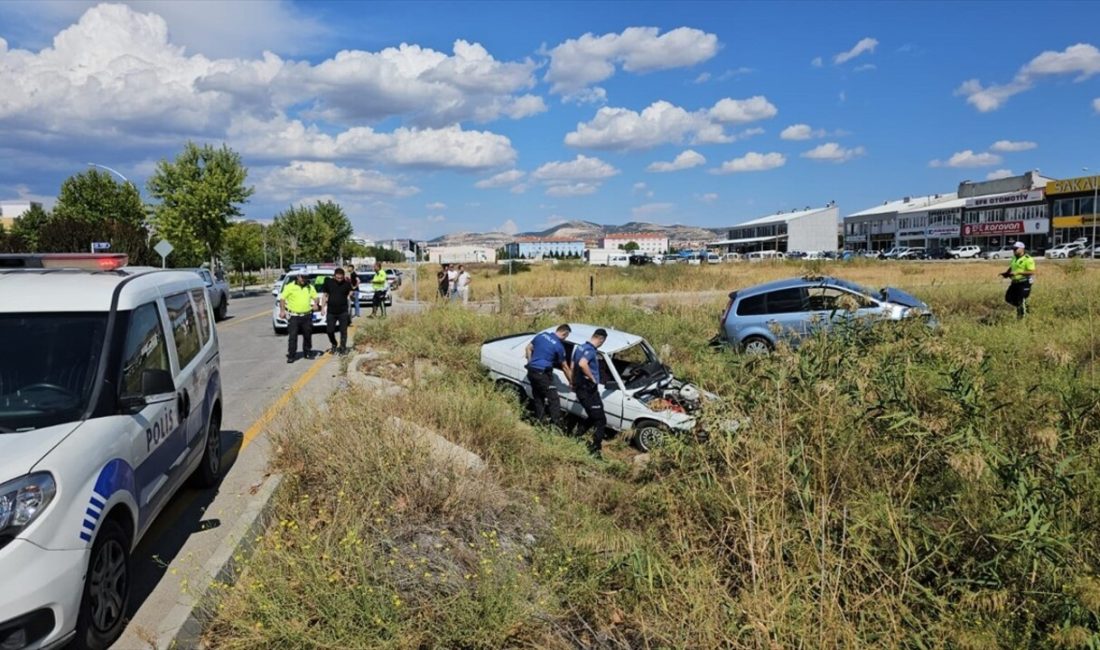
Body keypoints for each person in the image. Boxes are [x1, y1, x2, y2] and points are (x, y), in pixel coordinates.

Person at [525, 324, 572, 430]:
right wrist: (571, 381)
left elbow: (528, 348)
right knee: (553, 398)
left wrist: (531, 363)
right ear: (564, 333)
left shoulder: (542, 335)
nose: (565, 339)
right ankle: (556, 426)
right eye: (566, 336)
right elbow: (564, 367)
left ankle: (539, 422)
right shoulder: (559, 346)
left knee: (538, 397)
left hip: (532, 371)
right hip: (542, 373)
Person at [572, 328, 608, 459]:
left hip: (581, 387)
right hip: (588, 389)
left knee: (593, 416)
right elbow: (582, 364)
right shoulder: (591, 351)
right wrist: (592, 378)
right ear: (601, 339)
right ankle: (595, 449)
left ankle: (576, 436)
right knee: (601, 420)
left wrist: (572, 382)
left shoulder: (580, 347)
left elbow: (573, 364)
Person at [279, 270, 319, 363]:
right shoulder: (289, 286)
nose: (304, 279)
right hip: (294, 316)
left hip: (307, 315)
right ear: (298, 276)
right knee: (293, 336)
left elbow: (315, 297)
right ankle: (292, 355)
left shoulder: (310, 287)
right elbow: (282, 299)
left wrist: (316, 303)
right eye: (302, 277)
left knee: (307, 335)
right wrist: (282, 311)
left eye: (305, 277)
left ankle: (307, 352)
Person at [321, 268, 354, 354]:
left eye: (341, 278)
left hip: (343, 311)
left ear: (343, 276)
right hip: (331, 311)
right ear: (334, 276)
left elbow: (350, 291)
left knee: (343, 331)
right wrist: (322, 308)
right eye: (337, 278)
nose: (339, 279)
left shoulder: (346, 284)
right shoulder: (329, 283)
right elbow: (324, 296)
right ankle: (334, 343)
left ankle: (343, 348)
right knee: (329, 331)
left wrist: (351, 294)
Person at [1001, 241, 1036, 319]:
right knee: (1008, 298)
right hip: (1014, 282)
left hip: (1024, 282)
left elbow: (1032, 272)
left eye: (1016, 249)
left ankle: (1022, 318)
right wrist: (1007, 273)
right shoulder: (1014, 258)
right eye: (1013, 249)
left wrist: (1018, 273)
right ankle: (1024, 307)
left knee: (1020, 300)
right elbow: (1012, 267)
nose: (1014, 250)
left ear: (1022, 249)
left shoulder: (1028, 259)